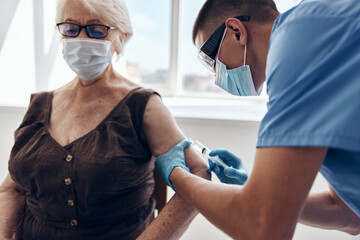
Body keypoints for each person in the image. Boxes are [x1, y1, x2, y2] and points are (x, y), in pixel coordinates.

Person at [0, 0, 209, 239]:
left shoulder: (143, 106)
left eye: (96, 30)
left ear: (122, 38)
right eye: (70, 28)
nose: (81, 39)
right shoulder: (40, 105)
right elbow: (12, 188)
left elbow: (198, 171)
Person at [155, 0, 360, 239]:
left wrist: (179, 177)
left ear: (236, 31)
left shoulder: (299, 43)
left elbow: (261, 228)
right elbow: (348, 214)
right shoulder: (317, 36)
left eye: (211, 61)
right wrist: (251, 189)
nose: (215, 75)